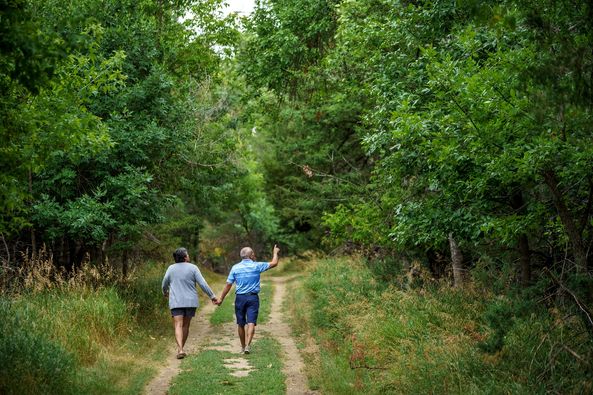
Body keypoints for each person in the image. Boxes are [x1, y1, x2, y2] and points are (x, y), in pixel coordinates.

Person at [217, 244, 280, 354]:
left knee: (240, 323)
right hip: (252, 298)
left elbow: (228, 285)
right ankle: (248, 346)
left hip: (240, 298)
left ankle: (242, 347)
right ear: (250, 255)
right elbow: (274, 263)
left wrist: (221, 298)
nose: (254, 255)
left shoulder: (235, 268)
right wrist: (275, 253)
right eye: (253, 254)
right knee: (251, 322)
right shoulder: (256, 266)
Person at [162, 247, 218, 359]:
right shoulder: (193, 268)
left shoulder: (171, 268)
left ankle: (180, 349)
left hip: (176, 301)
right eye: (187, 254)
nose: (188, 256)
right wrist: (212, 296)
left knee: (178, 325)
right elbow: (203, 284)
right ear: (185, 257)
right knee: (186, 325)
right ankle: (181, 348)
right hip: (190, 301)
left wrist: (165, 292)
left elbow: (164, 282)